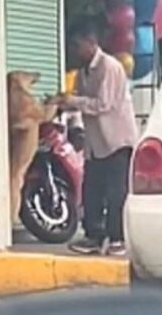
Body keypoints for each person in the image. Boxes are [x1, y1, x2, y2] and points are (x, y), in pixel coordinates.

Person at [54, 17, 138, 257]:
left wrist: (73, 101)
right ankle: (93, 236)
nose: (75, 50)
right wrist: (62, 104)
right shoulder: (83, 73)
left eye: (78, 44)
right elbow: (83, 104)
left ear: (91, 43)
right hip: (96, 143)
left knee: (115, 194)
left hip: (116, 141)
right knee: (91, 191)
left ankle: (117, 239)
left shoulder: (110, 67)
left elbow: (104, 104)